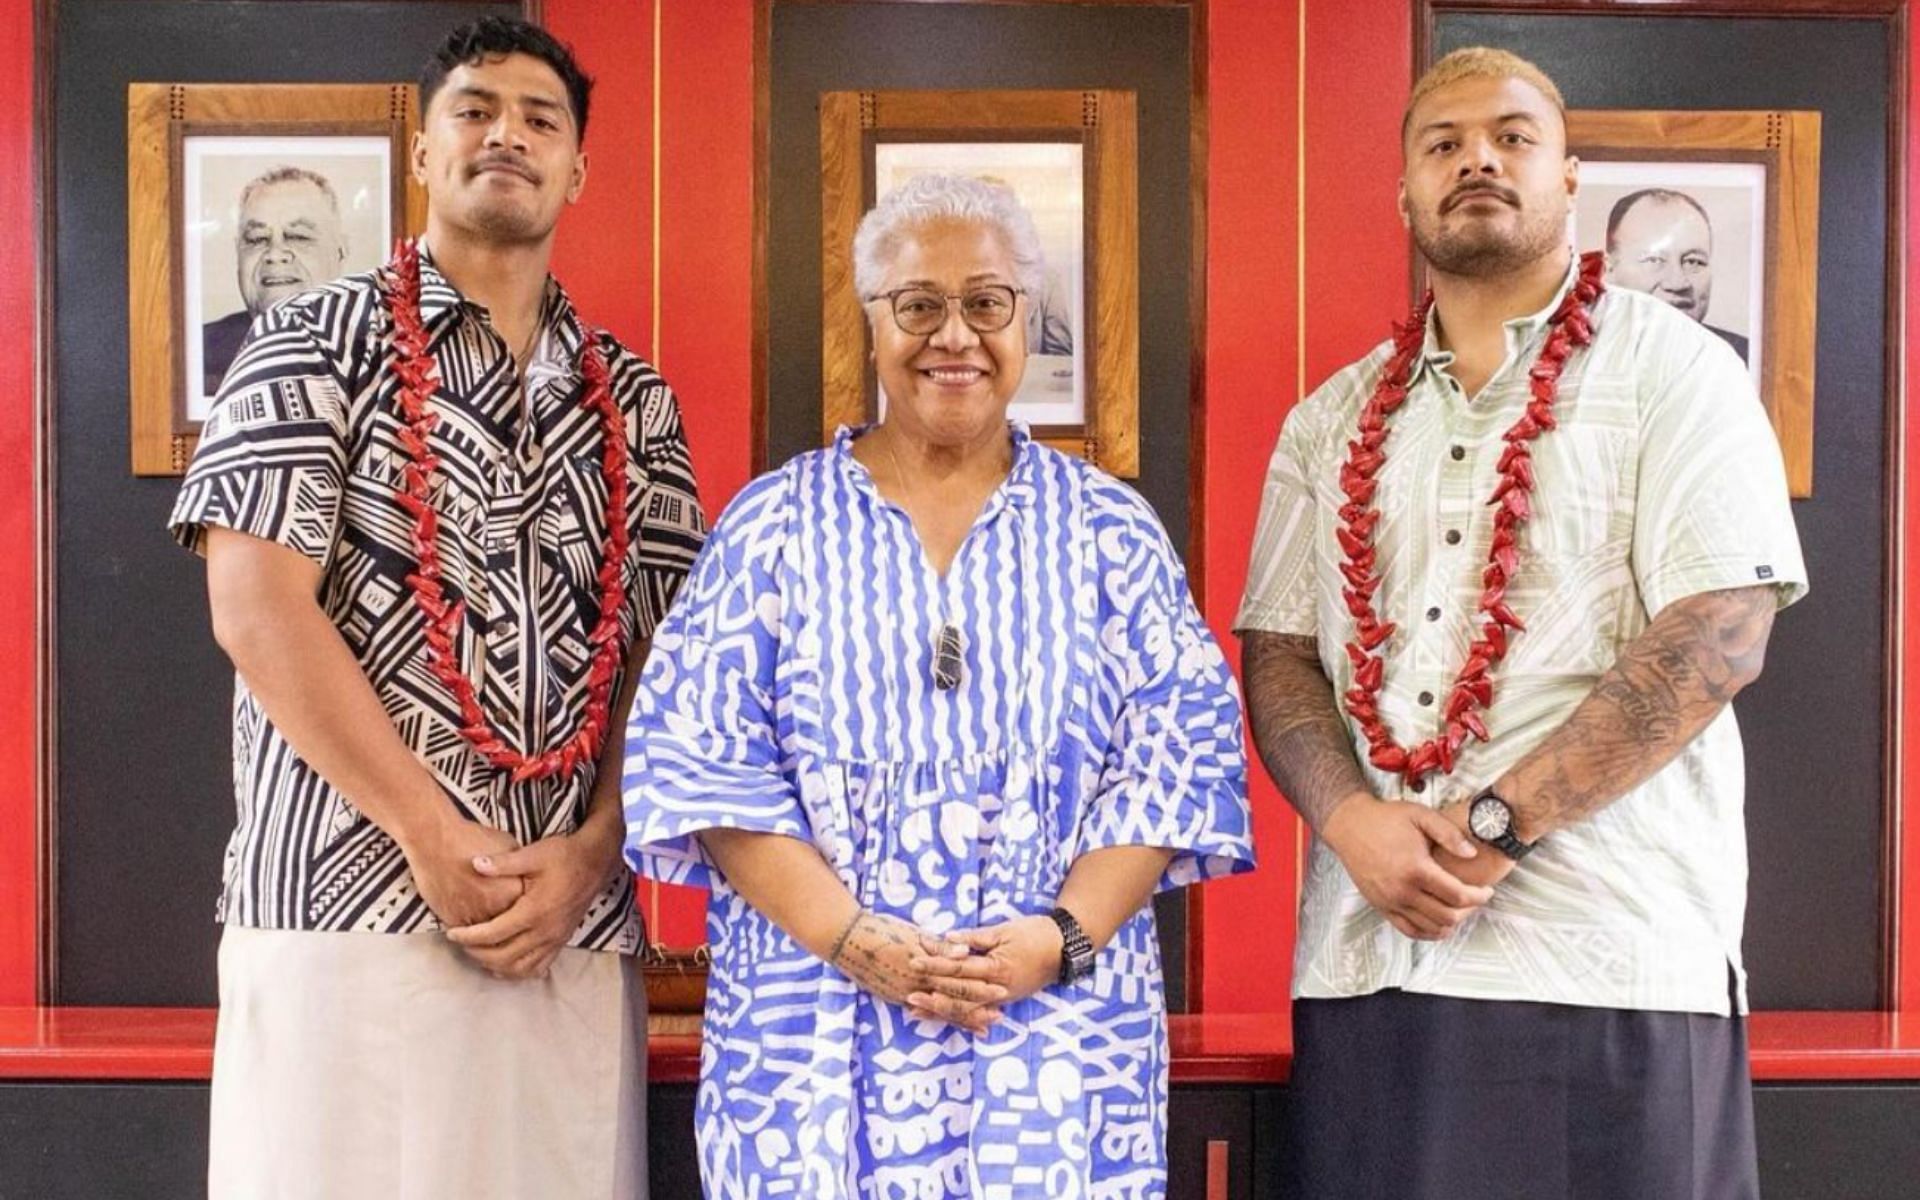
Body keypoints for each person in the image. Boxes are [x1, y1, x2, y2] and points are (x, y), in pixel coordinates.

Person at [1236, 47, 1804, 1199]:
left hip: (1615, 963)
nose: (1476, 159)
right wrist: (1352, 822)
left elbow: (1721, 633)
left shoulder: (1678, 373)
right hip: (1376, 963)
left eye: (1511, 135)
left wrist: (1495, 825)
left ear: (1569, 178)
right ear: (1404, 193)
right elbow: (1281, 653)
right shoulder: (1327, 421)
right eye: (1442, 144)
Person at [622, 173, 1254, 1199]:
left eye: (985, 302)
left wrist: (1062, 938)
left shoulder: (1109, 533)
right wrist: (855, 939)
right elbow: (701, 764)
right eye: (918, 305)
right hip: (814, 1027)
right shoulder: (771, 526)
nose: (952, 334)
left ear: (1027, 320)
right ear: (872, 323)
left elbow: (1178, 760)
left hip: (1053, 1031)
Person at [169, 16, 703, 1198]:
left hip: (567, 935)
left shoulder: (636, 401)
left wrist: (588, 857)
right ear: (424, 148)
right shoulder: (308, 342)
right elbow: (256, 610)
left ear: (579, 167)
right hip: (343, 910)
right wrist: (428, 831)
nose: (506, 134)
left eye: (540, 118)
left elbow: (671, 666)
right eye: (475, 109)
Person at [202, 166, 351, 393]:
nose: (275, 254)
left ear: (340, 250)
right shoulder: (203, 353)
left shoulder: (378, 348)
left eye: (298, 236)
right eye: (257, 239)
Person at [1605, 186, 1750, 363]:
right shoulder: (1575, 359)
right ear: (1608, 269)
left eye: (1693, 261)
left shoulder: (1745, 361)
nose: (1677, 282)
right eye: (1654, 260)